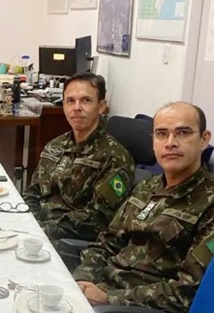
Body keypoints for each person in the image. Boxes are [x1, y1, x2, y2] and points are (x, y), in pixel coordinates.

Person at [73, 102, 214, 313]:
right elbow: (107, 242)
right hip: (104, 292)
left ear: (204, 139)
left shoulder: (209, 204)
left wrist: (108, 297)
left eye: (183, 133)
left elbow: (186, 293)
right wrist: (80, 282)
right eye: (161, 134)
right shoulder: (147, 187)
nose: (170, 142)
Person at [23, 72, 135, 246]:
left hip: (68, 241)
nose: (76, 107)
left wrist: (43, 230)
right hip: (36, 232)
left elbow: (99, 219)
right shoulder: (55, 145)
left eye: (86, 100)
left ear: (102, 106)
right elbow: (33, 192)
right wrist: (27, 223)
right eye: (70, 101)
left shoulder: (115, 157)